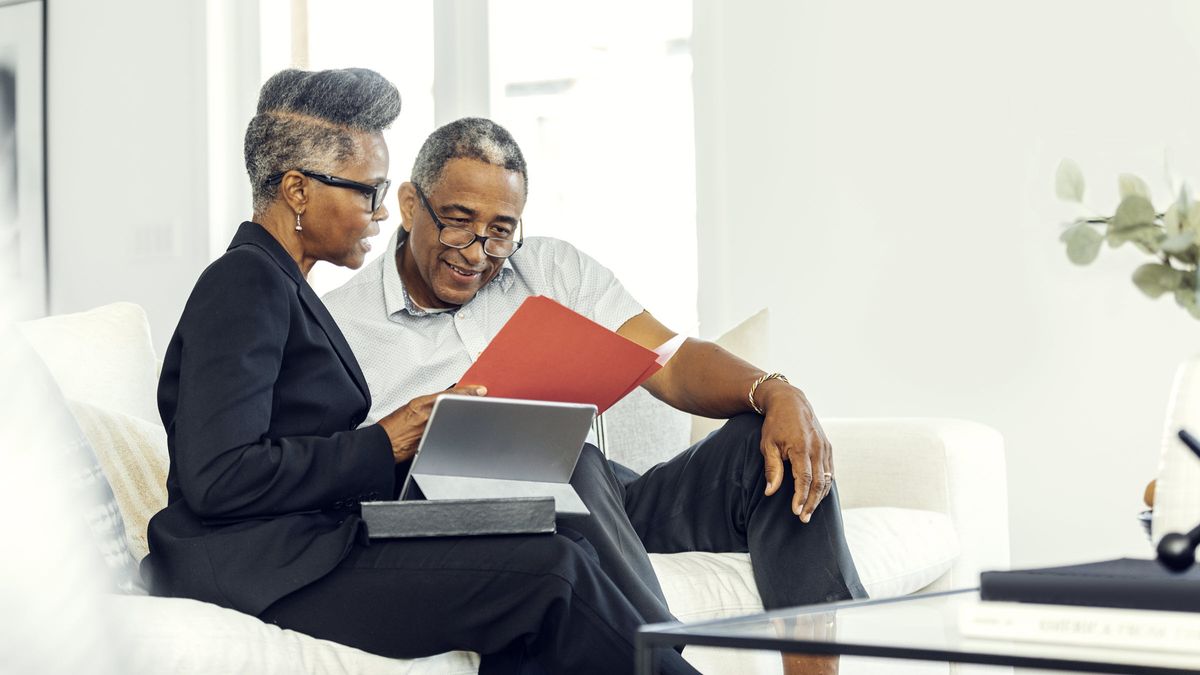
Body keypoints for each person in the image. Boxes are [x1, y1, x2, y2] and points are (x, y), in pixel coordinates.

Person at [142, 69, 700, 675]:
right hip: (266, 564)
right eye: (367, 192)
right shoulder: (243, 281)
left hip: (314, 540)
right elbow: (218, 477)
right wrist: (387, 439)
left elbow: (286, 454)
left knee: (547, 534)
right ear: (298, 191)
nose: (383, 215)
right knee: (551, 572)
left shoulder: (281, 286)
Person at [323, 117, 868, 658]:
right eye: (459, 222)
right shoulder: (343, 326)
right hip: (475, 527)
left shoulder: (553, 269)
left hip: (600, 499)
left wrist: (777, 392)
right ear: (412, 204)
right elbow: (338, 480)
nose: (476, 252)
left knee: (765, 442)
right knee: (560, 456)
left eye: (500, 231)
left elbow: (671, 360)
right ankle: (663, 659)